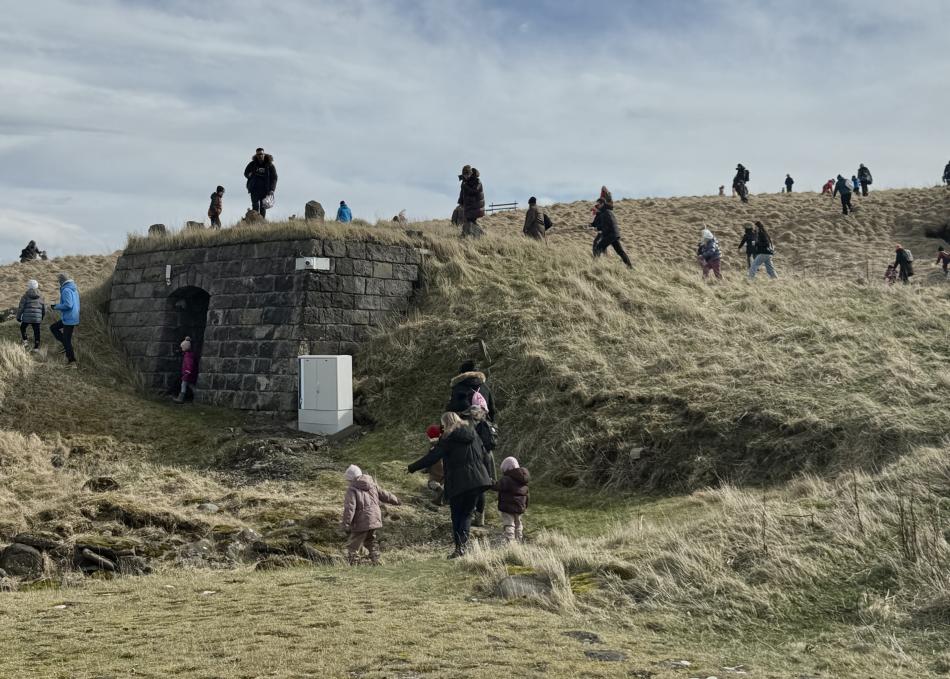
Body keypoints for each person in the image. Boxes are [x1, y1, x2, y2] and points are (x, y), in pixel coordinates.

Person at [407, 412, 494, 558]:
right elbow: (485, 454)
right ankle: (462, 547)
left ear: (445, 424)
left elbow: (433, 456)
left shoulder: (447, 439)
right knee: (466, 514)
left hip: (458, 482)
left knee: (457, 515)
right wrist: (488, 475)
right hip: (477, 480)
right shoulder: (473, 434)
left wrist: (412, 467)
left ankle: (459, 548)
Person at [341, 464, 400, 565]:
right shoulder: (372, 484)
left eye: (348, 480)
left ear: (351, 478)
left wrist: (346, 523)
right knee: (370, 540)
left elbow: (350, 508)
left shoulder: (352, 489)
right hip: (375, 518)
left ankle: (353, 562)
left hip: (361, 521)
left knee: (354, 544)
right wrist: (396, 500)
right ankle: (376, 559)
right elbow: (385, 494)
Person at [465, 404, 497, 528]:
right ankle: (480, 518)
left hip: (479, 456)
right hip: (488, 455)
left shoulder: (474, 425)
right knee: (482, 487)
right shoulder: (487, 424)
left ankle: (476, 517)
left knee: (477, 487)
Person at [591, 198, 633, 269]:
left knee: (598, 248)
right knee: (620, 251)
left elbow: (607, 225)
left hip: (610, 235)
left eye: (598, 204)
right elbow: (608, 224)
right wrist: (597, 227)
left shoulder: (605, 213)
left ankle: (594, 267)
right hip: (614, 234)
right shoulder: (608, 211)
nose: (597, 206)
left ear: (602, 204)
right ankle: (630, 267)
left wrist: (598, 228)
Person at [495, 456, 529, 544]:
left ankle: (510, 542)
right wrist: (525, 505)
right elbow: (527, 494)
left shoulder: (507, 479)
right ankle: (519, 540)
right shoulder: (523, 479)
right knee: (518, 524)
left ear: (507, 469)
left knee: (509, 524)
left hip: (508, 507)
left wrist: (491, 482)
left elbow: (497, 486)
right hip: (519, 507)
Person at [50, 273, 80, 366]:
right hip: (72, 317)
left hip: (69, 318)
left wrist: (56, 307)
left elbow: (68, 305)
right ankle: (66, 347)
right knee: (53, 328)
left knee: (67, 339)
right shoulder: (73, 289)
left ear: (62, 281)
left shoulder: (66, 290)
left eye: (58, 281)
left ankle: (72, 361)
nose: (58, 283)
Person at [243, 148, 278, 218]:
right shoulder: (252, 164)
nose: (260, 156)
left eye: (261, 154)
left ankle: (262, 222)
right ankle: (254, 221)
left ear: (264, 154)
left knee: (263, 207)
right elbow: (246, 172)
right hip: (254, 188)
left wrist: (272, 189)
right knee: (255, 205)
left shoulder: (270, 165)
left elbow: (274, 178)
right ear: (256, 155)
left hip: (265, 189)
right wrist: (248, 175)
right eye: (258, 154)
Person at [16, 279, 45, 351]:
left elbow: (21, 307)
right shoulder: (41, 296)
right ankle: (36, 347)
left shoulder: (25, 296)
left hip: (26, 317)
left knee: (23, 327)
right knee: (37, 331)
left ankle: (25, 343)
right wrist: (42, 317)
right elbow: (44, 308)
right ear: (37, 286)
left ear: (28, 286)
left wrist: (18, 317)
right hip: (37, 318)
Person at [457, 165, 485, 238]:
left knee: (471, 221)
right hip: (469, 206)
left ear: (471, 173)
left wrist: (465, 186)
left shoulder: (477, 181)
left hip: (476, 206)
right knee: (469, 221)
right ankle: (470, 235)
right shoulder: (465, 181)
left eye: (467, 175)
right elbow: (462, 193)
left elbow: (475, 191)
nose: (466, 176)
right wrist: (460, 202)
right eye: (464, 175)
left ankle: (478, 235)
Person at [424, 424, 446, 505]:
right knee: (445, 482)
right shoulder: (445, 444)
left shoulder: (432, 448)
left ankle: (438, 488)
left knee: (431, 483)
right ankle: (444, 490)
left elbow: (428, 461)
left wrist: (425, 469)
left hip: (435, 475)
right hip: (446, 474)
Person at [173, 337, 198, 404]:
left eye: (182, 348)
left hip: (188, 373)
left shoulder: (188, 356)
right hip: (189, 373)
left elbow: (189, 364)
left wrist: (187, 371)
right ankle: (197, 396)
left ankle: (181, 398)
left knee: (184, 385)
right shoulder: (189, 355)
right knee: (191, 385)